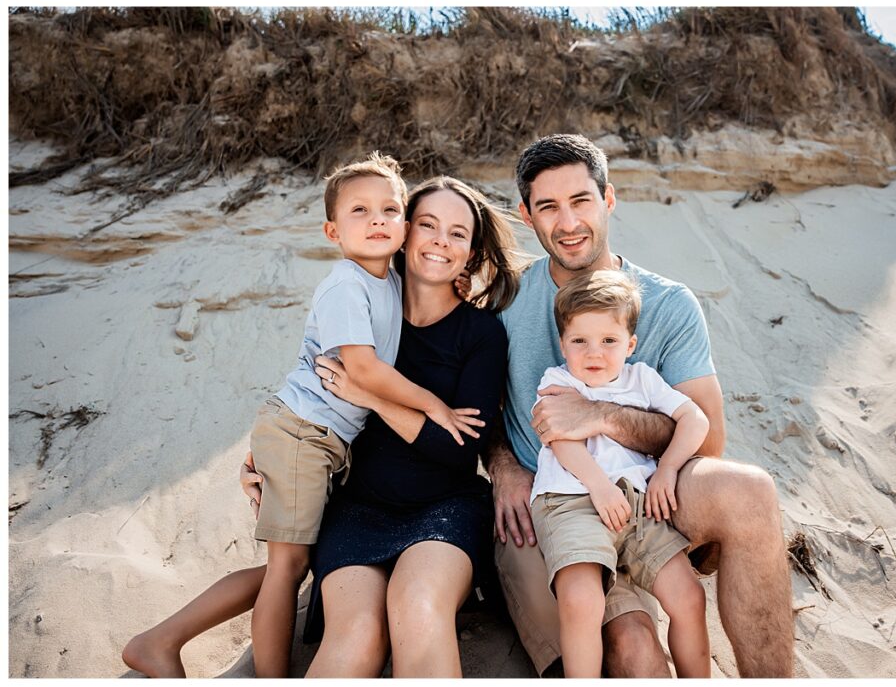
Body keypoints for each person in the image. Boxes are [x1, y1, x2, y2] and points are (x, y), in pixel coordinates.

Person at [122, 175, 523, 678]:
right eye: (427, 224)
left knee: (417, 610)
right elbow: (312, 394)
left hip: (444, 508)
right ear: (404, 232)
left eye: (458, 233)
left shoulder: (481, 332)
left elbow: (458, 445)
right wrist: (264, 459)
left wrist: (370, 397)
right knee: (354, 635)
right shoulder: (369, 299)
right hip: (357, 508)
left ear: (471, 252)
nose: (441, 240)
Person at [486, 133, 794, 677]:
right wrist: (505, 464)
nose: (569, 222)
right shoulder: (506, 301)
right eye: (549, 207)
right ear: (527, 217)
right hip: (560, 503)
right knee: (634, 649)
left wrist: (602, 416)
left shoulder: (669, 304)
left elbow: (709, 440)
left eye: (581, 201)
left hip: (656, 494)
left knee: (750, 493)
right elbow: (473, 404)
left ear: (608, 198)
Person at [240, 153, 479, 677]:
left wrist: (463, 283)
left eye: (389, 210)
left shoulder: (388, 280)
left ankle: (168, 635)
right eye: (360, 211)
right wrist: (432, 403)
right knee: (286, 568)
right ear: (332, 230)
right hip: (308, 437)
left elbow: (435, 274)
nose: (377, 221)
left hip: (331, 445)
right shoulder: (349, 284)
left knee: (293, 565)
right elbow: (362, 371)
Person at [530, 269, 711, 677]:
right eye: (580, 341)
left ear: (630, 344)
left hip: (638, 504)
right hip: (571, 499)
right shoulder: (556, 381)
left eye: (609, 341)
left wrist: (667, 469)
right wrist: (598, 485)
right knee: (582, 600)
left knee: (689, 596)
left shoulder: (642, 380)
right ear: (563, 344)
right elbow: (558, 437)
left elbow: (695, 419)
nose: (594, 353)